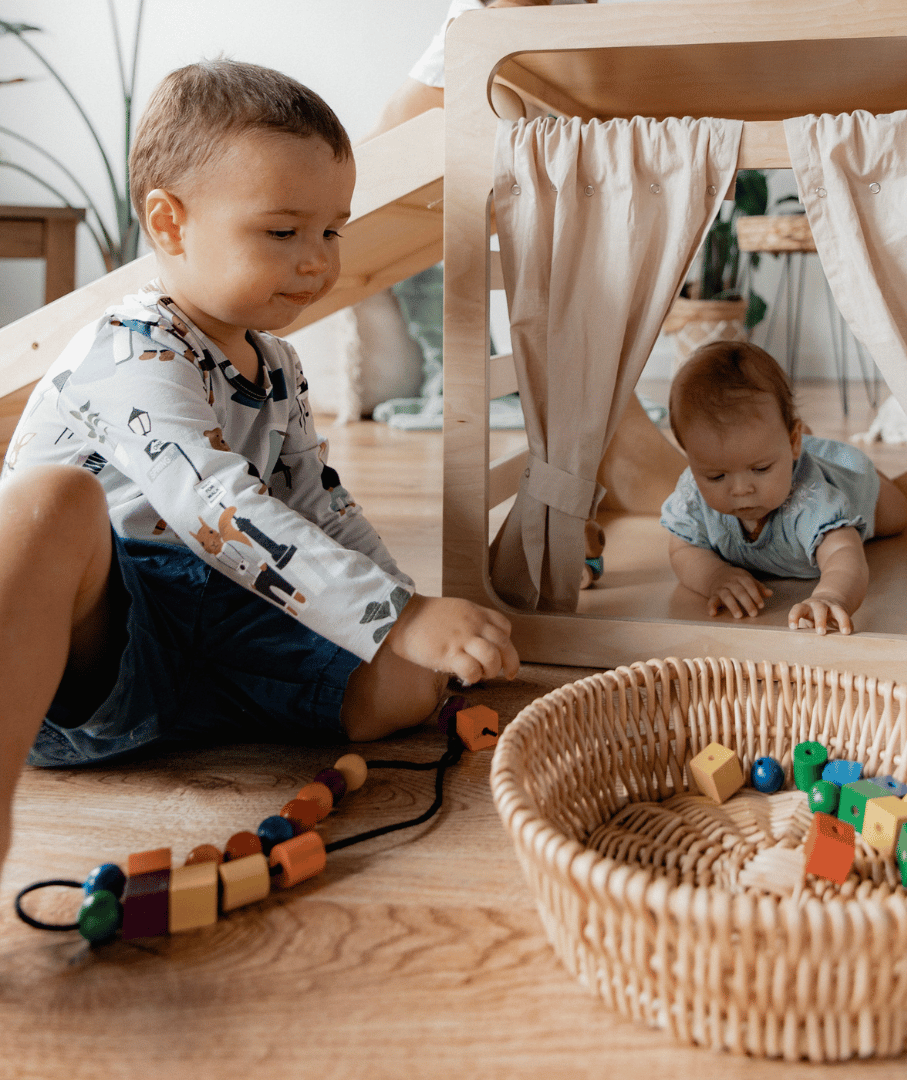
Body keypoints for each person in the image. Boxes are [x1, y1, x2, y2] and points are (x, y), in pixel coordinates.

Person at [0, 59, 519, 874]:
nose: (317, 260)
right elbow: (222, 509)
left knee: (413, 687)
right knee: (52, 503)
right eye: (283, 232)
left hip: (207, 624)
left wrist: (408, 610)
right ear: (169, 225)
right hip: (98, 635)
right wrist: (395, 613)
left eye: (332, 230)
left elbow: (319, 502)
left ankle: (219, 710)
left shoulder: (277, 362)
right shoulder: (131, 347)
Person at [660, 340, 907, 634]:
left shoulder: (811, 500)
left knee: (899, 516)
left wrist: (831, 595)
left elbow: (844, 553)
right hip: (786, 453)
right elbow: (682, 547)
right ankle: (790, 452)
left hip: (849, 484)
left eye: (760, 469)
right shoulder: (694, 493)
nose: (741, 490)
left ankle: (849, 468)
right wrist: (714, 575)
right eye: (716, 476)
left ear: (793, 442)